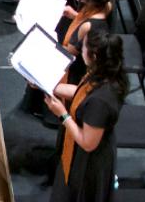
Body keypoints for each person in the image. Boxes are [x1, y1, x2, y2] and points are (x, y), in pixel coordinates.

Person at [43, 28, 127, 202]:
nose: (80, 48)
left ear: (94, 56)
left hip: (89, 164)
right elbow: (81, 93)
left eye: (83, 46)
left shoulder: (101, 102)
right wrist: (49, 86)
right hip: (80, 152)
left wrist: (63, 115)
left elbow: (87, 143)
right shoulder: (101, 72)